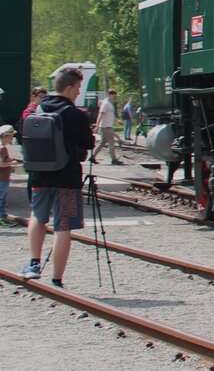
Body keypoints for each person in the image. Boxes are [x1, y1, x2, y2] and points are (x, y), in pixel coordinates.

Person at [22, 67, 95, 285]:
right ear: (69, 87)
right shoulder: (75, 114)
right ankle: (57, 279)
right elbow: (88, 144)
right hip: (67, 177)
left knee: (37, 216)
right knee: (63, 226)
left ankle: (34, 264)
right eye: (78, 88)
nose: (78, 92)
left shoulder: (36, 109)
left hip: (38, 175)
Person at [89, 89, 123, 166]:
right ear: (110, 95)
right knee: (111, 142)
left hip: (107, 125)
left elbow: (110, 114)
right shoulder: (105, 103)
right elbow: (100, 114)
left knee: (102, 142)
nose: (114, 98)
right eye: (114, 96)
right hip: (106, 126)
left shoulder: (109, 103)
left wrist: (117, 120)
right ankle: (114, 159)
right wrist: (97, 126)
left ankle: (92, 157)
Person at [0, 124, 19, 225]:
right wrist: (12, 163)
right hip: (2, 178)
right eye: (11, 136)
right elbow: (1, 164)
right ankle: (1, 218)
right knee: (1, 199)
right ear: (5, 136)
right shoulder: (3, 148)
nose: (12, 138)